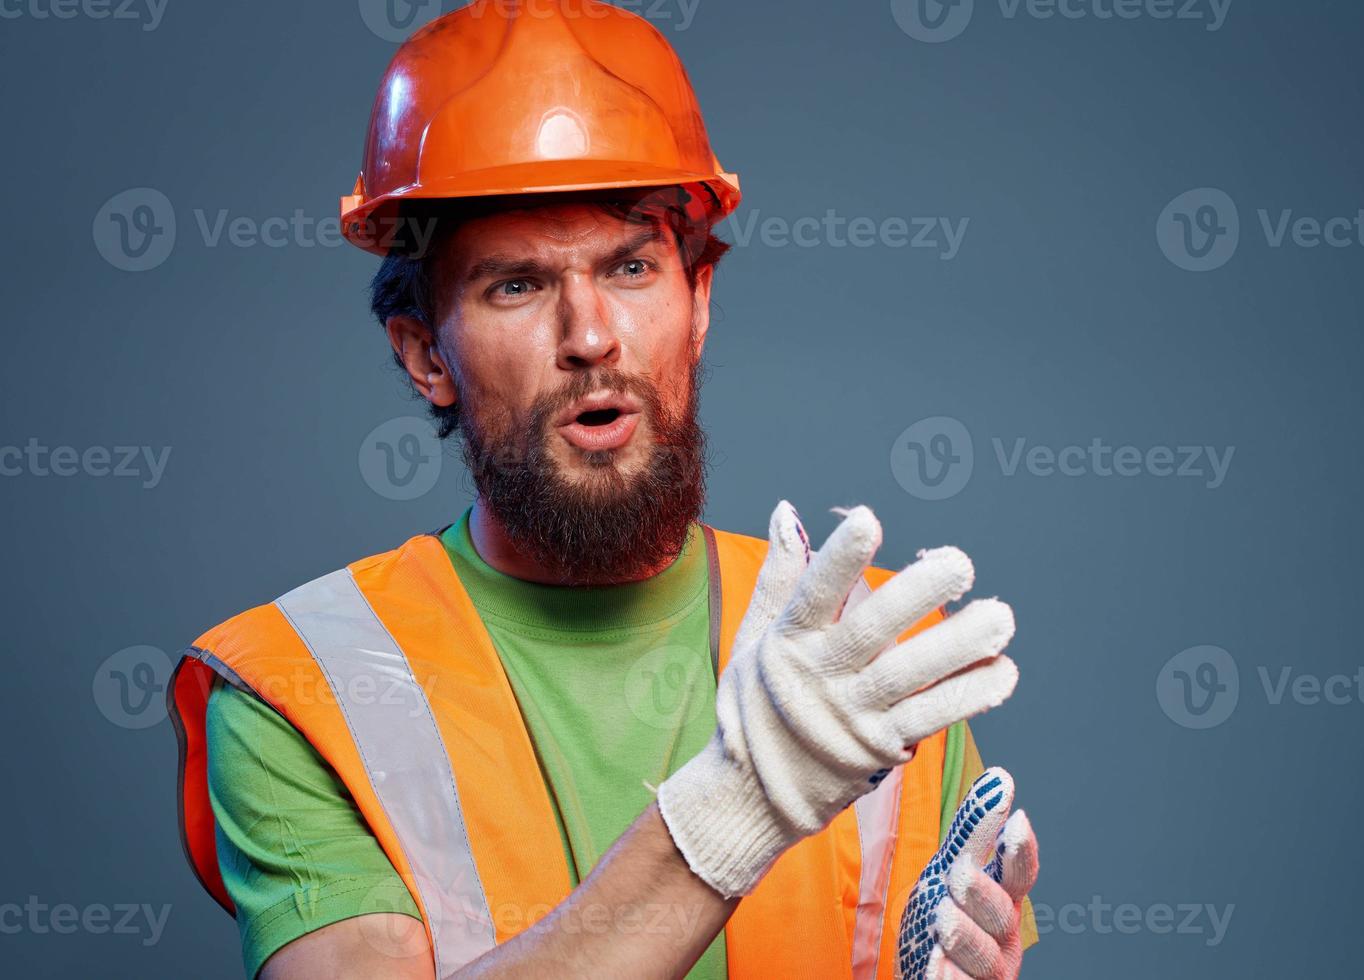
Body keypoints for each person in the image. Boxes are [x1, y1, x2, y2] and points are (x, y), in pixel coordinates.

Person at [166, 3, 1039, 977]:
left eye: (629, 267)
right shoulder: (303, 686)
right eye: (517, 286)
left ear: (699, 299)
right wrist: (740, 806)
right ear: (424, 354)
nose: (590, 334)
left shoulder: (871, 652)